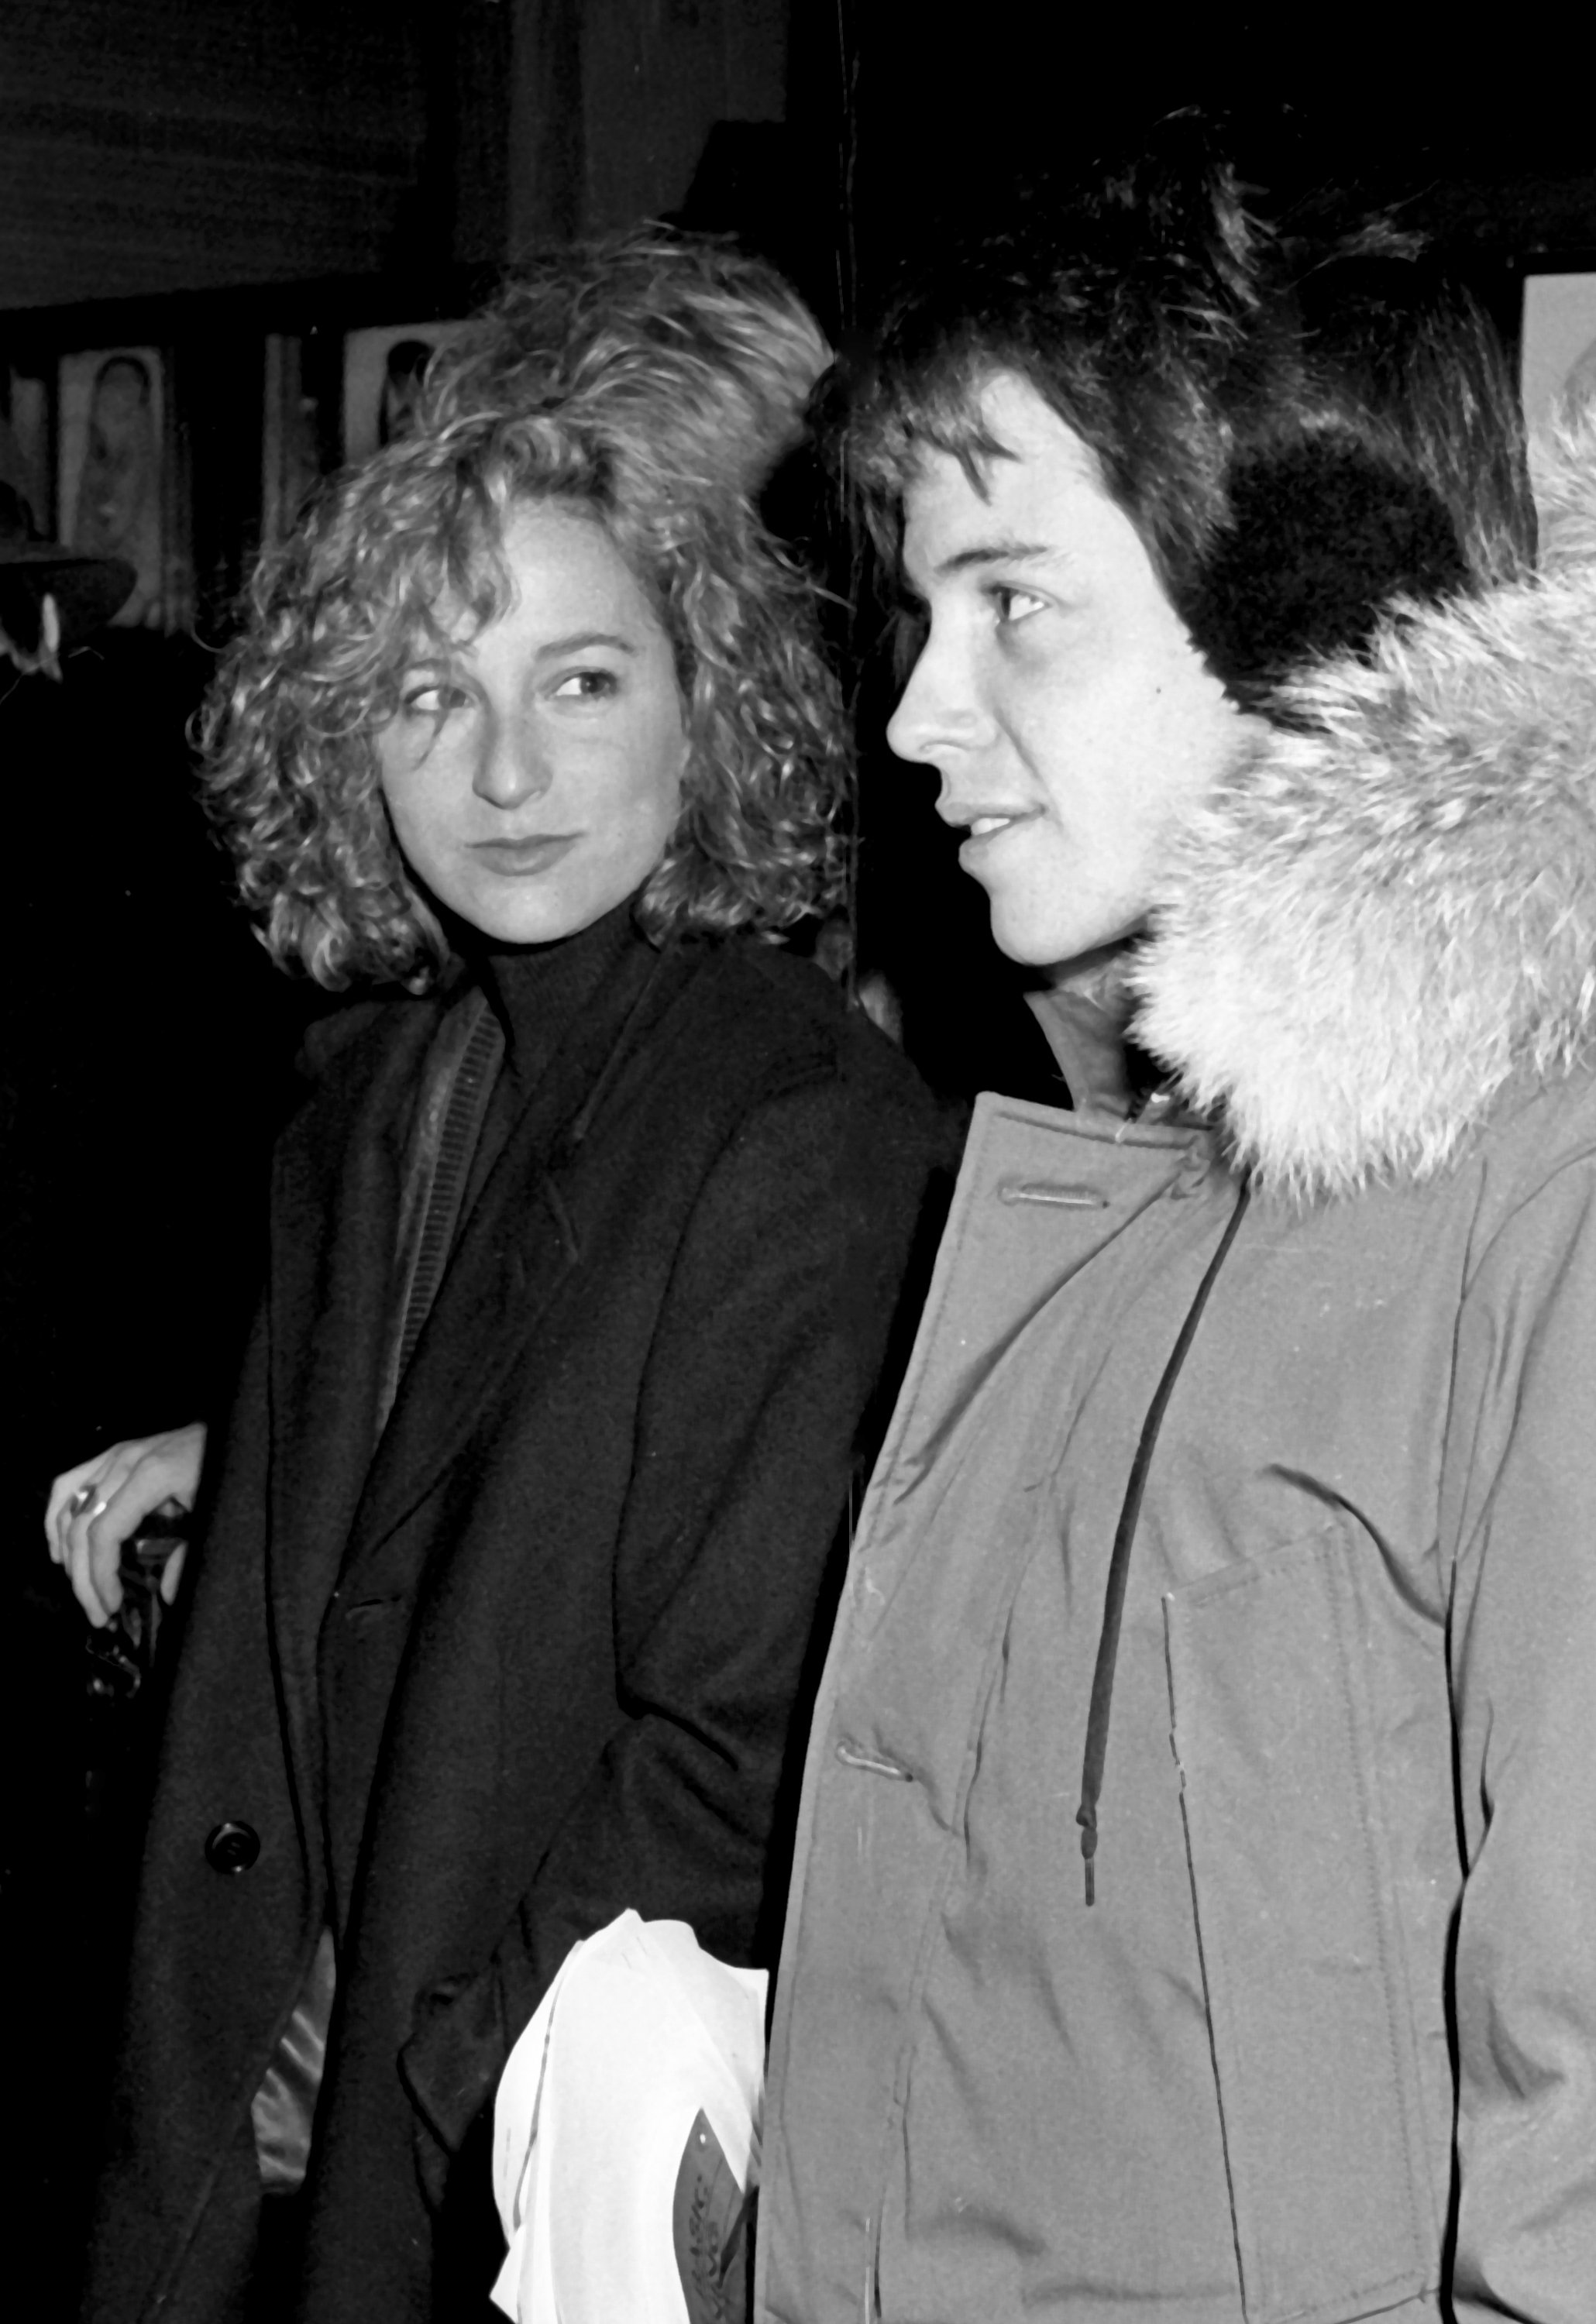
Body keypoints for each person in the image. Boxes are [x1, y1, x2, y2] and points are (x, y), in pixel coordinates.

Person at [47, 234, 947, 2324]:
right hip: (276, 2126)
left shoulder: (796, 1130)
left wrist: (427, 2070)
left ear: (706, 701)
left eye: (582, 680)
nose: (509, 774)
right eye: (434, 694)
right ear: (342, 740)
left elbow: (738, 1750)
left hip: (505, 2160)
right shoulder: (379, 1099)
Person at [757, 125, 1596, 2322]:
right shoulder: (1096, 1193)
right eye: (920, 615)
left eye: (1013, 602)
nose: (921, 716)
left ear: (1302, 590)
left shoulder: (1541, 1215)